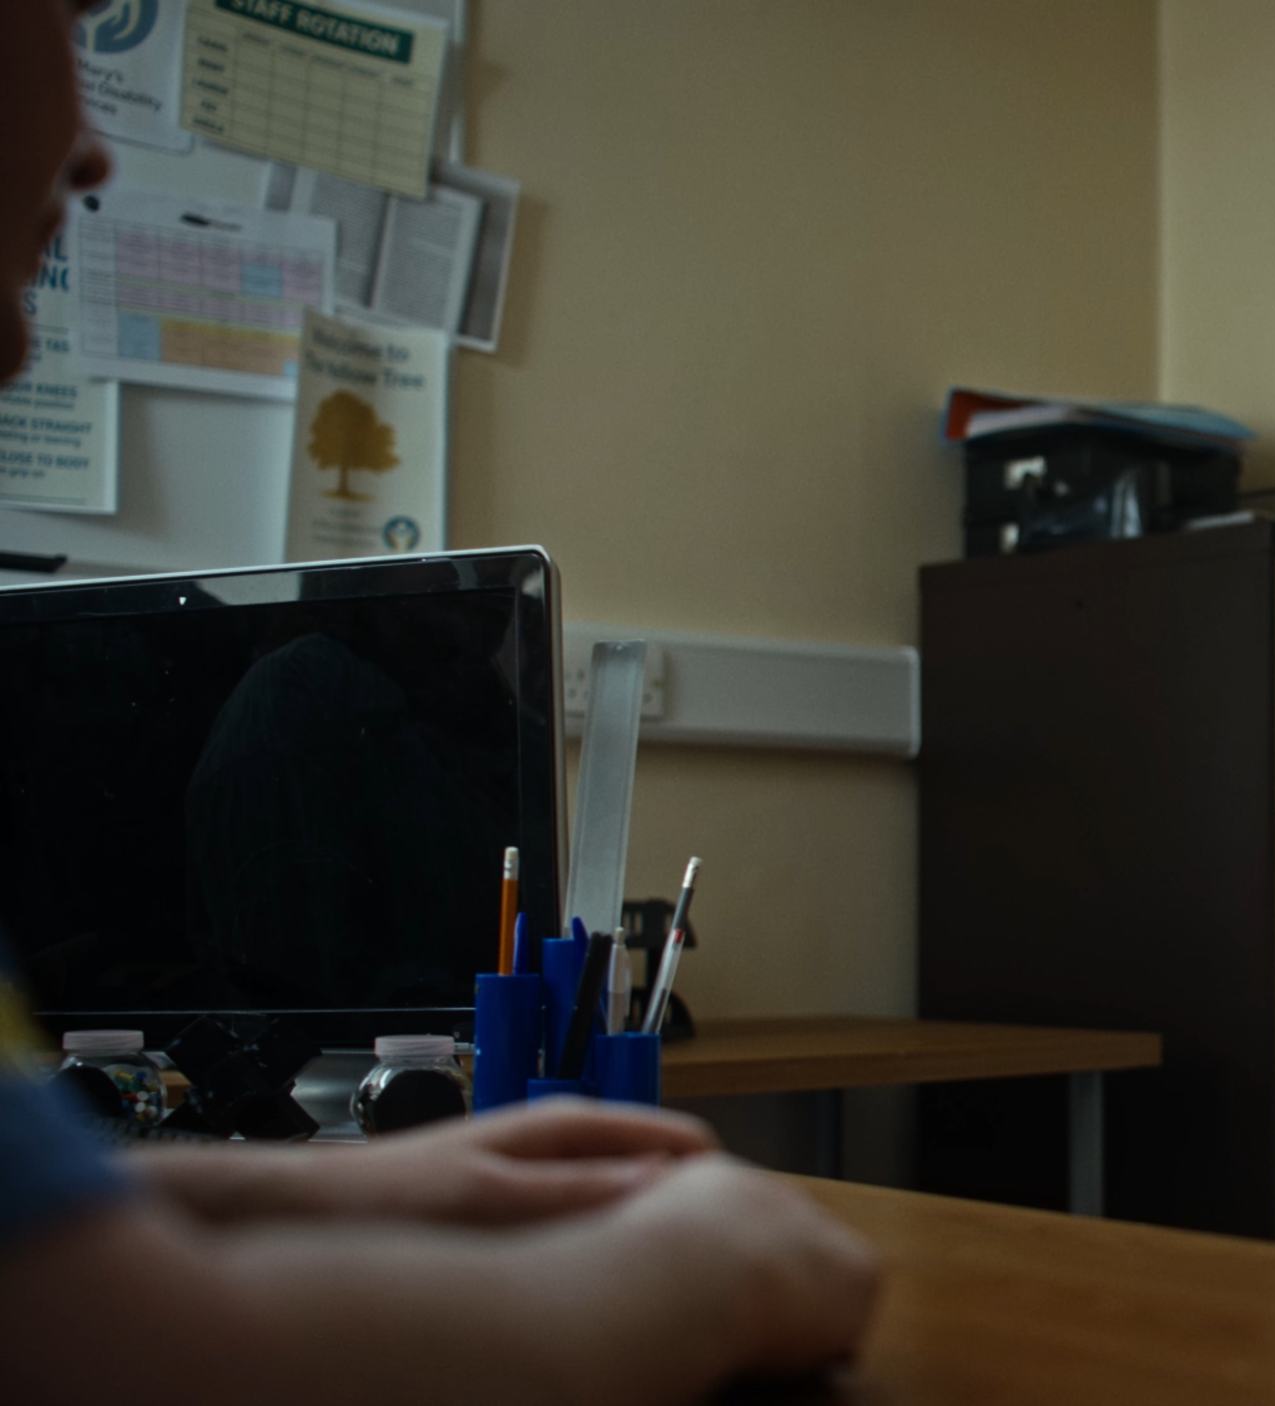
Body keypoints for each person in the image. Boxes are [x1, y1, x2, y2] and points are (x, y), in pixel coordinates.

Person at [0, 2, 879, 1399]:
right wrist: (728, 1269)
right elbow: (105, 1333)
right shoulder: (302, 710)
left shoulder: (433, 725)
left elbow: (31, 1221)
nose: (101, 159)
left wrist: (394, 1182)